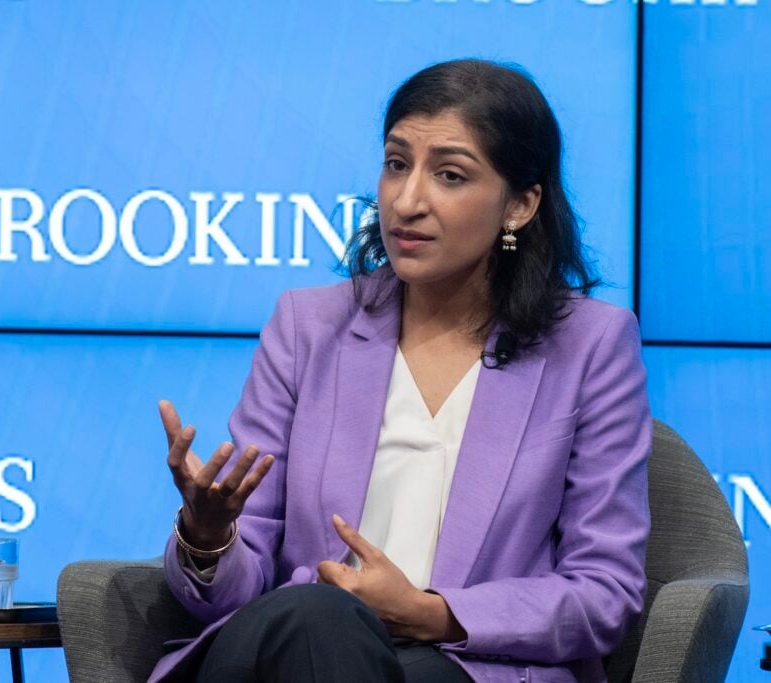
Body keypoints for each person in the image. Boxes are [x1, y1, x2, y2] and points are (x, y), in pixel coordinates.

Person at [151, 59, 651, 683]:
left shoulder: (591, 346)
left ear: (519, 205)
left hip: (463, 665)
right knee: (316, 618)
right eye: (396, 165)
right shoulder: (308, 327)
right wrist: (208, 535)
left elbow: (605, 592)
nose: (407, 201)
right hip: (285, 646)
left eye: (449, 175)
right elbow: (231, 589)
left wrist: (431, 615)